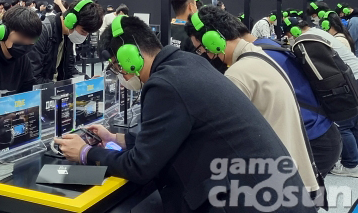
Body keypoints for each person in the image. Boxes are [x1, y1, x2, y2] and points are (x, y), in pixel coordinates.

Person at [55, 15, 314, 212]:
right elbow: (172, 133)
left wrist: (85, 152)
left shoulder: (164, 84)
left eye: (117, 64)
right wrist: (117, 139)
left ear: (129, 55)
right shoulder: (187, 63)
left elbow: (140, 166)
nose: (120, 72)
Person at [186, 7, 320, 194]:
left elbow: (221, 135)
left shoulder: (239, 74)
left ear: (212, 40)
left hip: (275, 183)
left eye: (202, 49)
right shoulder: (257, 54)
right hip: (293, 174)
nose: (206, 55)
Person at [236, 21, 341, 178]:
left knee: (299, 191)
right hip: (324, 132)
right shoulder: (270, 45)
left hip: (313, 140)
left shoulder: (257, 58)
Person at [278, 16, 358, 178]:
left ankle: (351, 164)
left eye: (288, 35)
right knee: (353, 123)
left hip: (349, 81)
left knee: (343, 126)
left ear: (294, 31)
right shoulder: (317, 33)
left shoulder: (306, 40)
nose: (288, 38)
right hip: (353, 76)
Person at [28, 0, 103, 84]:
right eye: (83, 31)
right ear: (71, 20)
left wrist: (86, 80)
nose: (84, 36)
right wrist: (60, 87)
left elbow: (69, 69)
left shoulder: (68, 35)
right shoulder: (43, 31)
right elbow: (33, 77)